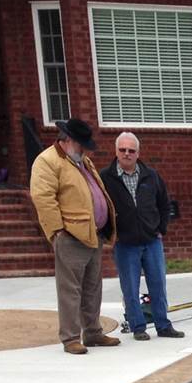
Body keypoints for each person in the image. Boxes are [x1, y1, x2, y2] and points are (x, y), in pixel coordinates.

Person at [29, 117, 119, 356]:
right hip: (70, 236)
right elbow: (43, 198)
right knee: (70, 290)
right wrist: (58, 231)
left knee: (92, 287)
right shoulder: (47, 161)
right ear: (68, 140)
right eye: (82, 145)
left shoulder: (80, 161)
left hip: (92, 234)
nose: (86, 149)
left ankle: (93, 332)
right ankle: (70, 338)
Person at [101, 132, 184, 341]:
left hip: (151, 240)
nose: (127, 154)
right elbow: (100, 209)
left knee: (158, 284)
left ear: (138, 153)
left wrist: (160, 229)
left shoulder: (151, 176)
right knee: (130, 287)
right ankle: (138, 327)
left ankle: (163, 325)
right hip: (125, 243)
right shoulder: (105, 178)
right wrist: (110, 234)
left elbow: (164, 204)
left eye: (131, 150)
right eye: (122, 150)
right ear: (116, 151)